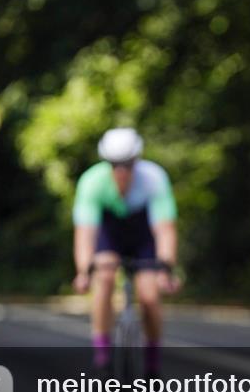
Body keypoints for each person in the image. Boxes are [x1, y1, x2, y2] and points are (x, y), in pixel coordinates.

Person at [72, 127, 180, 375]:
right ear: (106, 163)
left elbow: (164, 230)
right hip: (110, 233)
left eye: (128, 164)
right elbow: (85, 234)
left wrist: (166, 269)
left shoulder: (153, 178)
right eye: (115, 164)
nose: (121, 170)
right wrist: (83, 272)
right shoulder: (92, 182)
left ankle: (153, 366)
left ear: (136, 161)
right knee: (105, 278)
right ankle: (102, 355)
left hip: (143, 233)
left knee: (150, 296)